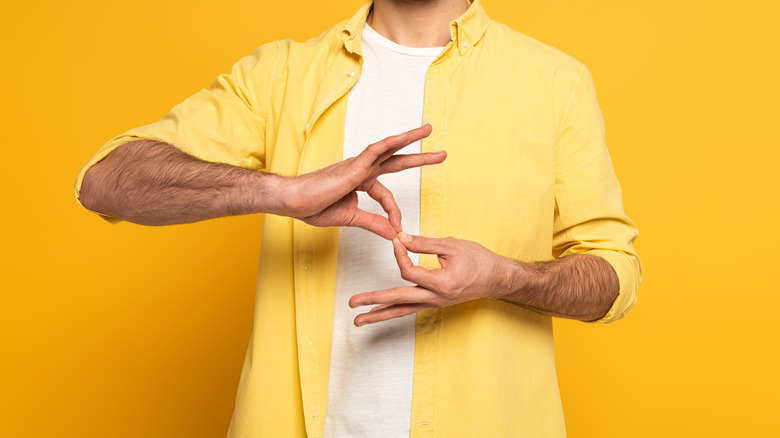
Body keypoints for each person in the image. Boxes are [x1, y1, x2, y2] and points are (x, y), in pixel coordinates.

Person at [74, 0, 643, 436]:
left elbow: (615, 276)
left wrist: (504, 278)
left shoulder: (555, 83)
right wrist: (280, 191)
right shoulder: (282, 75)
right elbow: (106, 181)